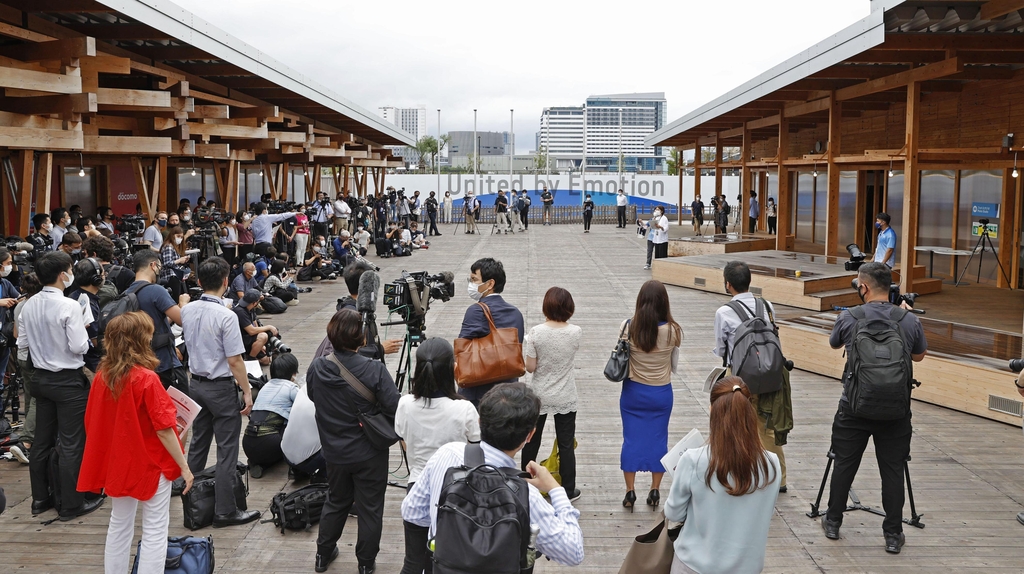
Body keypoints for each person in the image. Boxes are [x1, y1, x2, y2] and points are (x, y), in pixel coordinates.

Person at [401, 383, 585, 568]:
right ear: (529, 435)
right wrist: (556, 489)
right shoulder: (527, 496)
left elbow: (413, 512)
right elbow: (574, 552)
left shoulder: (446, 454)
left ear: (479, 422)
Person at [77, 312, 194, 574]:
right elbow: (165, 430)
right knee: (154, 528)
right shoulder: (146, 378)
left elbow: (93, 421)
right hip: (152, 461)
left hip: (119, 460)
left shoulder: (102, 376)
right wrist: (184, 467)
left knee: (119, 523)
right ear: (140, 339)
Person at [823, 262, 926, 554]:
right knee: (892, 471)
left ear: (863, 287)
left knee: (844, 464)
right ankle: (893, 535)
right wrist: (904, 316)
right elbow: (918, 356)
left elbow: (833, 344)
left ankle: (833, 521)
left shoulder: (849, 317)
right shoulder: (907, 320)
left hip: (853, 407)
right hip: (896, 411)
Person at [307, 308, 399, 574]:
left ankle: (323, 555)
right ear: (362, 339)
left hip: (334, 450)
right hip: (369, 452)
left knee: (336, 500)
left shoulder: (318, 367)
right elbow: (394, 408)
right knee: (370, 509)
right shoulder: (375, 370)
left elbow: (314, 396)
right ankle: (365, 564)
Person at [17, 251, 104, 520]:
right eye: (69, 270)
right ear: (62, 275)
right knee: (71, 443)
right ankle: (71, 504)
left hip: (40, 378)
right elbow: (79, 346)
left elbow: (22, 346)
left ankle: (40, 499)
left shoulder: (29, 304)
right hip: (67, 381)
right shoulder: (69, 305)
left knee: (42, 442)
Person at [664, 377, 781, 574]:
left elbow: (673, 513)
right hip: (747, 566)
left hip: (695, 564)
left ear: (712, 410)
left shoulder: (693, 460)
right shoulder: (771, 464)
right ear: (749, 411)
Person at [181, 256, 260, 527]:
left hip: (197, 384)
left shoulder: (188, 310)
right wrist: (247, 392)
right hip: (220, 387)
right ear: (226, 282)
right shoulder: (226, 316)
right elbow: (235, 360)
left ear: (200, 281)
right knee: (227, 449)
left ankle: (192, 505)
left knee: (199, 443)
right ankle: (225, 511)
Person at [395, 338, 481, 574]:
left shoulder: (404, 404)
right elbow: (475, 449)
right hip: (458, 493)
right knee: (451, 561)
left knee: (413, 562)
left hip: (417, 488)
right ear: (453, 369)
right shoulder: (464, 409)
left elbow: (403, 442)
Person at [713, 261, 790, 493]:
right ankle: (780, 479)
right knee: (766, 428)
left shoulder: (724, 312)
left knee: (733, 424)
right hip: (769, 374)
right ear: (749, 281)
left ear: (728, 284)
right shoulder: (766, 305)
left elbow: (720, 350)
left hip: (738, 378)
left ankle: (738, 473)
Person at [619, 280, 682, 511]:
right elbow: (674, 363)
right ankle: (655, 490)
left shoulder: (629, 326)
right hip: (661, 393)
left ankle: (630, 490)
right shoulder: (674, 331)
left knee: (631, 440)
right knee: (658, 440)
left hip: (633, 392)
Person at [520, 287, 582, 501]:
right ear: (569, 308)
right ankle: (568, 489)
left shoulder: (536, 333)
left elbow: (530, 367)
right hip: (566, 394)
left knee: (531, 441)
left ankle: (525, 483)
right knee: (566, 443)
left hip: (540, 395)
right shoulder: (576, 332)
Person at [458, 257, 525, 406]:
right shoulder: (516, 313)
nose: (471, 284)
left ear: (490, 283)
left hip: (479, 393)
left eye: (474, 280)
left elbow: (462, 353)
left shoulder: (476, 310)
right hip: (509, 392)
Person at [128, 250, 190, 396]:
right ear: (153, 265)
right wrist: (183, 303)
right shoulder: (156, 290)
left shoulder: (127, 293)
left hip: (142, 364)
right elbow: (184, 320)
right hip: (166, 365)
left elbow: (154, 322)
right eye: (159, 267)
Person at [242, 353, 300, 478]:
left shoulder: (265, 387)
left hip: (247, 443)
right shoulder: (291, 387)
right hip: (269, 444)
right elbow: (305, 409)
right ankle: (294, 466)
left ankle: (258, 463)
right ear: (294, 373)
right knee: (297, 424)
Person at [9, 273, 41, 465]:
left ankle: (32, 439)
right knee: (38, 398)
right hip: (35, 356)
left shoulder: (20, 305)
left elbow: (15, 334)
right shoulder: (39, 306)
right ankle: (26, 441)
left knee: (29, 398)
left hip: (22, 355)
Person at [281, 382, 326, 481]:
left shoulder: (303, 389)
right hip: (310, 461)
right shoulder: (329, 396)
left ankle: (297, 471)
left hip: (285, 454)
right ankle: (321, 477)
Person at [65, 258, 104, 372]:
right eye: (102, 274)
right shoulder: (88, 305)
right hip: (92, 363)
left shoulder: (74, 295)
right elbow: (95, 341)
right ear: (96, 279)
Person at [235, 289, 275, 363]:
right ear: (255, 303)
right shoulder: (240, 311)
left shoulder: (251, 308)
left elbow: (255, 325)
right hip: (240, 340)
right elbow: (251, 331)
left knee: (266, 360)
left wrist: (261, 344)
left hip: (249, 339)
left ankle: (251, 356)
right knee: (263, 335)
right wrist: (268, 327)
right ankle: (250, 359)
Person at [0, 248, 21, 381]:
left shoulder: (5, 283)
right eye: (8, 263)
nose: (10, 267)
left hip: (2, 337)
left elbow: (19, 297)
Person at [641, 206, 669, 270]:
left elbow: (666, 228)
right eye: (655, 210)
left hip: (661, 239)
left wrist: (660, 227)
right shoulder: (653, 218)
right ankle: (650, 264)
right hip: (654, 238)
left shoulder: (664, 218)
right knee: (652, 251)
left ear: (661, 211)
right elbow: (646, 226)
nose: (656, 211)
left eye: (658, 210)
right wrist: (641, 223)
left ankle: (662, 266)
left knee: (662, 253)